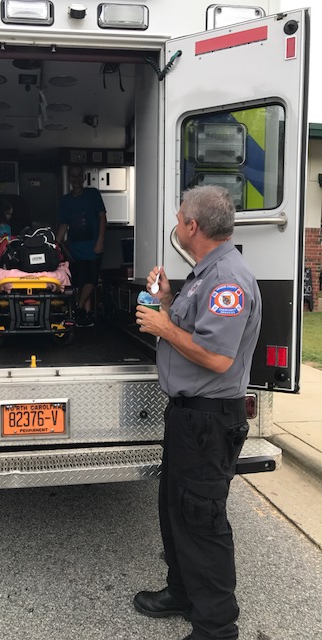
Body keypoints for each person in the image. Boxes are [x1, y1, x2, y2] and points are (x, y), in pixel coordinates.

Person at [134, 185, 262, 640]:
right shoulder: (204, 274)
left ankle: (216, 628)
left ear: (192, 226)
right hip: (189, 418)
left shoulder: (227, 280)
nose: (175, 225)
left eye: (178, 218)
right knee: (177, 512)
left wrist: (162, 326)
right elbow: (196, 330)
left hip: (208, 421)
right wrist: (169, 302)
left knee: (201, 520)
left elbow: (217, 358)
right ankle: (183, 593)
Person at [56, 164, 107, 327]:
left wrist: (100, 240)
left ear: (84, 178)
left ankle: (77, 309)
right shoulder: (65, 200)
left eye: (79, 176)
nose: (76, 179)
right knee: (80, 283)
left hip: (93, 247)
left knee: (91, 281)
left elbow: (102, 217)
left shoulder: (93, 194)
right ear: (69, 178)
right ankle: (86, 316)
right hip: (75, 249)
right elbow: (64, 225)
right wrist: (55, 245)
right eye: (73, 176)